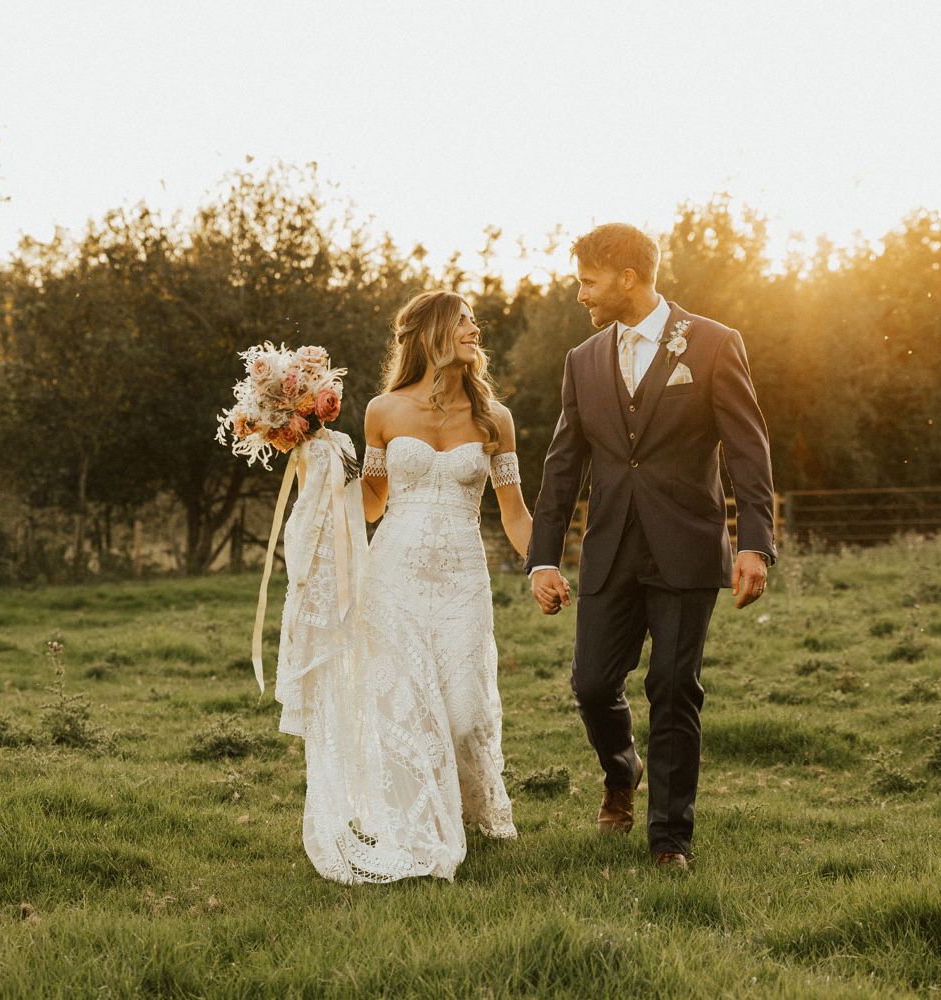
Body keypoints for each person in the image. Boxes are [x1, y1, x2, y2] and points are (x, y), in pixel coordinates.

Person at [276, 289, 557, 883]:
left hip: (462, 578)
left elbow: (513, 512)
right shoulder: (383, 410)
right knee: (405, 707)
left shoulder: (493, 419)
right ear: (430, 333)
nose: (475, 330)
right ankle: (414, 824)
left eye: (474, 322)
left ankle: (472, 809)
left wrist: (543, 562)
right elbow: (373, 503)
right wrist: (323, 471)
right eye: (463, 322)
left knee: (465, 714)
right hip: (394, 576)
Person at [526, 223, 777, 869]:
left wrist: (755, 543)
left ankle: (670, 838)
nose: (581, 294)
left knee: (673, 684)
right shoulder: (582, 361)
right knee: (591, 684)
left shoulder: (716, 344)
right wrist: (545, 558)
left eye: (588, 281)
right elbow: (562, 466)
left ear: (626, 277)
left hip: (687, 547)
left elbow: (749, 451)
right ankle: (621, 772)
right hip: (610, 549)